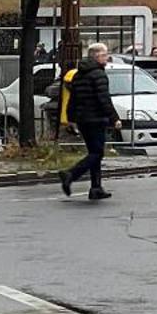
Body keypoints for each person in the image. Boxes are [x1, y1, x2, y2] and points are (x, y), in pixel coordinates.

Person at [60, 42, 119, 201]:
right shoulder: (99, 74)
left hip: (82, 120)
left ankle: (96, 188)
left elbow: (73, 98)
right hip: (96, 118)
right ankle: (70, 174)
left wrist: (71, 119)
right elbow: (104, 99)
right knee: (97, 153)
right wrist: (114, 118)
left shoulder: (79, 74)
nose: (107, 57)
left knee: (94, 151)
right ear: (97, 56)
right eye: (105, 54)